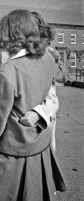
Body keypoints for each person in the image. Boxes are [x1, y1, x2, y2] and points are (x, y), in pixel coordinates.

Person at [0, 10, 66, 201]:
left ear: (10, 34)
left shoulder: (7, 71)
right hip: (39, 143)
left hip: (12, 148)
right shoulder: (47, 60)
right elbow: (56, 85)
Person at [20, 11, 69, 152]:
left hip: (45, 108)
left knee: (47, 148)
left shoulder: (47, 53)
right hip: (28, 109)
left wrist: (54, 56)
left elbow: (63, 76)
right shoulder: (28, 52)